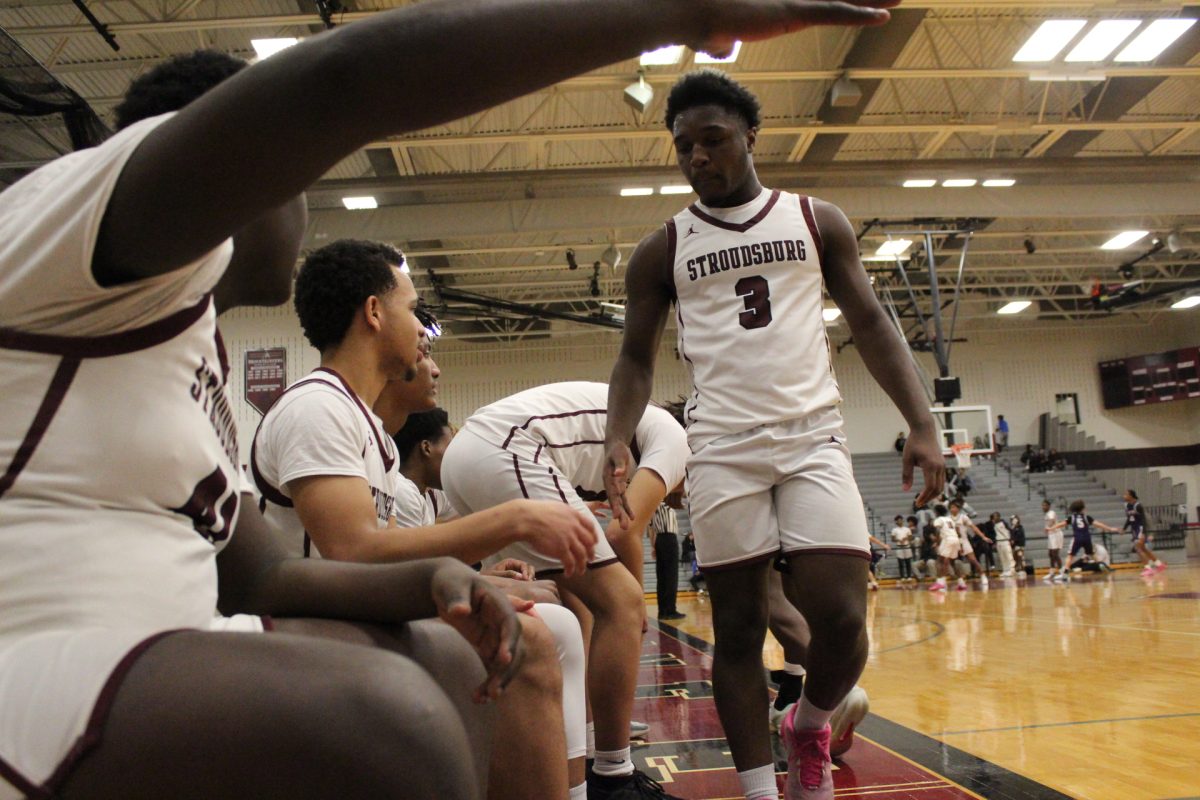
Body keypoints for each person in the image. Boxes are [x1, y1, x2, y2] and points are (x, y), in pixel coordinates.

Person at [0, 2, 908, 795]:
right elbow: (343, 81)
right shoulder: (84, 221)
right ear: (241, 167)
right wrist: (682, 12)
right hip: (36, 659)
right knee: (394, 716)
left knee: (494, 653)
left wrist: (440, 578)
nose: (305, 208)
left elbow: (262, 575)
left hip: (160, 630)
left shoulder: (185, 355)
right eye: (298, 179)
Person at [602, 69, 943, 800]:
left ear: (751, 136)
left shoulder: (816, 219)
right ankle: (761, 790)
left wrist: (922, 422)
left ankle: (810, 724)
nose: (698, 156)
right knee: (738, 626)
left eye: (713, 139)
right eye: (684, 145)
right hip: (722, 445)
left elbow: (873, 324)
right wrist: (617, 436)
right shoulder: (662, 248)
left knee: (844, 618)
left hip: (812, 433)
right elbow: (634, 357)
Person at [440, 382, 690, 800]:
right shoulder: (677, 437)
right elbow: (624, 526)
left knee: (572, 613)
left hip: (468, 458)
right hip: (506, 450)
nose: (681, 500)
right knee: (621, 604)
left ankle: (581, 767)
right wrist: (632, 602)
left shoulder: (637, 431)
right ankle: (615, 777)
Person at [1049, 500, 1120, 582]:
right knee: (1092, 554)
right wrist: (1110, 528)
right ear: (1082, 509)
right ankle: (1102, 565)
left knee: (1070, 556)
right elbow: (1098, 524)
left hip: (1078, 538)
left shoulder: (1072, 518)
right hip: (1087, 538)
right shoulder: (1086, 517)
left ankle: (1065, 574)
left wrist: (1051, 528)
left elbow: (1061, 524)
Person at [650, 499, 686, 621]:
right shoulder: (664, 503)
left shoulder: (653, 505)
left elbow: (651, 528)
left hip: (659, 539)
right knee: (671, 576)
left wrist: (653, 545)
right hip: (669, 538)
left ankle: (662, 611)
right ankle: (670, 610)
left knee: (662, 577)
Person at [1124, 490, 1166, 576]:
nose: (1124, 496)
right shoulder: (1127, 506)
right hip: (1134, 530)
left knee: (1138, 548)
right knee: (1143, 549)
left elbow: (1143, 520)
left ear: (1131, 496)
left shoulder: (1138, 506)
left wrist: (1143, 532)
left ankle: (1148, 568)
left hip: (1140, 529)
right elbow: (1129, 518)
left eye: (1126, 494)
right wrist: (1124, 528)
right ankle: (1159, 564)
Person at [984, 512, 1015, 578]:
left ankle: (1011, 570)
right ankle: (1005, 570)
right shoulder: (993, 525)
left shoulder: (1003, 523)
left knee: (1008, 556)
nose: (994, 518)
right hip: (999, 542)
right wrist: (994, 543)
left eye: (995, 516)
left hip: (1005, 541)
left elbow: (1010, 531)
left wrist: (1011, 539)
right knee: (1002, 557)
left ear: (998, 517)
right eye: (993, 517)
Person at [889, 515, 915, 585]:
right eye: (898, 520)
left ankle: (909, 576)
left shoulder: (907, 529)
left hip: (907, 546)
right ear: (896, 522)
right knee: (900, 562)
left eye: (901, 520)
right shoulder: (894, 530)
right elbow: (892, 539)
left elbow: (911, 537)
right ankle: (902, 577)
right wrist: (898, 540)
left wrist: (905, 538)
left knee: (908, 562)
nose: (900, 521)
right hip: (899, 546)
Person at [1042, 499, 1062, 583]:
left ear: (1049, 506)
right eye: (1042, 505)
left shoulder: (1051, 513)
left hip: (1056, 534)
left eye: (1045, 505)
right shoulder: (1046, 514)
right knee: (1050, 554)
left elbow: (1052, 520)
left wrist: (1048, 528)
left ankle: (1062, 572)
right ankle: (1052, 572)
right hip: (1051, 535)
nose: (1043, 507)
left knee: (1055, 553)